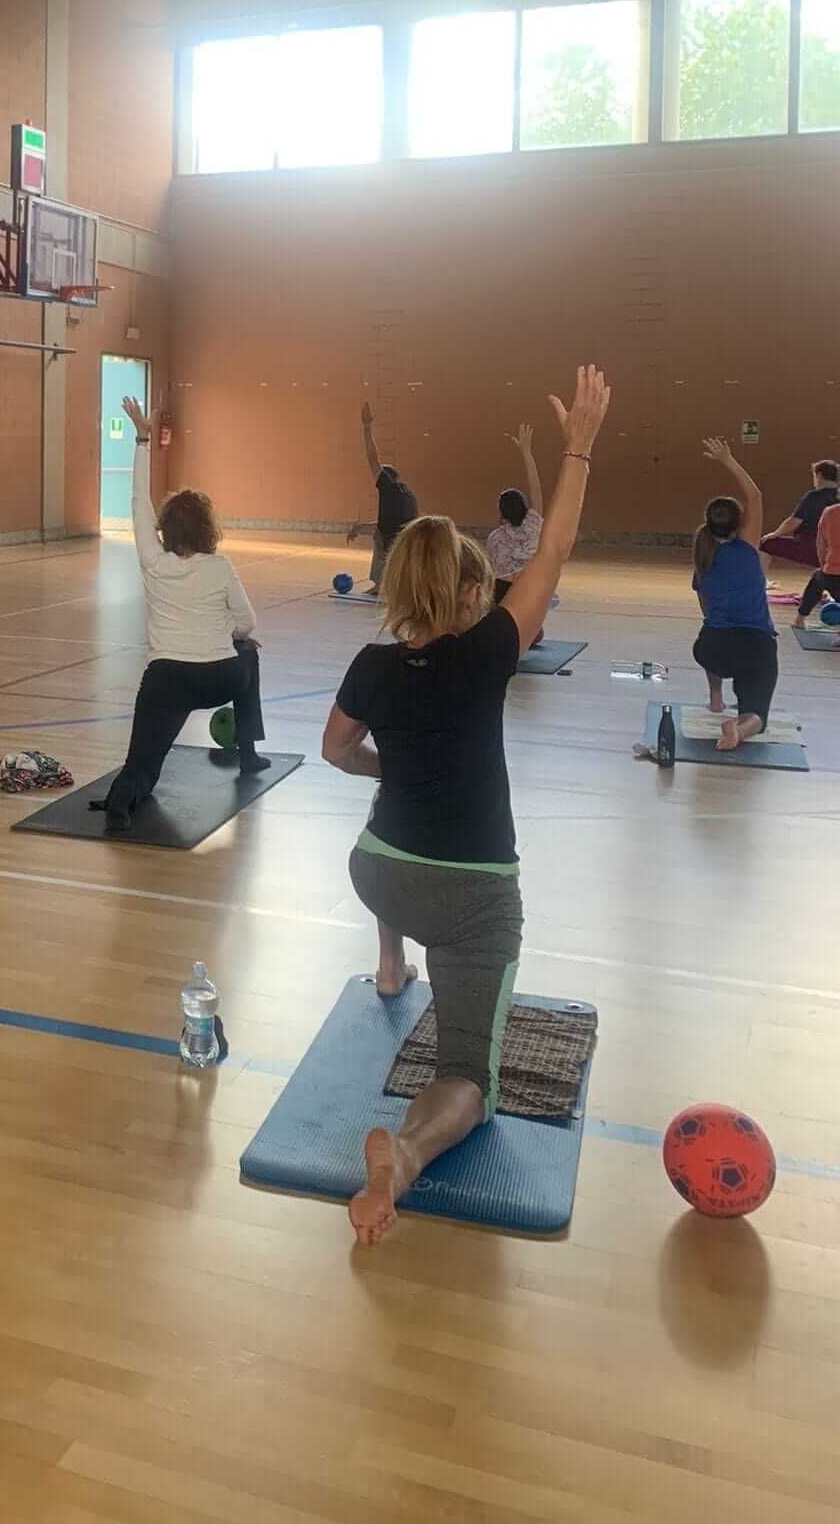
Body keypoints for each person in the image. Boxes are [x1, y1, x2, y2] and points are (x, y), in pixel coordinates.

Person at [322, 364, 611, 1247]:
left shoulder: (373, 664)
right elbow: (554, 549)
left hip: (377, 876)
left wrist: (391, 772)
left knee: (398, 864)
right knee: (468, 1081)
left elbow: (337, 751)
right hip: (469, 894)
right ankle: (404, 1159)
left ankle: (389, 962)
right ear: (472, 592)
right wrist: (581, 449)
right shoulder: (488, 651)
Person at [96, 395, 267, 834]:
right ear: (209, 529)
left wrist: (141, 438)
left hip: (168, 680)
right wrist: (230, 638)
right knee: (249, 652)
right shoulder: (222, 567)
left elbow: (137, 502)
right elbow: (247, 624)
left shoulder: (153, 562)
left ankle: (123, 799)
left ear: (165, 529)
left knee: (143, 763)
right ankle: (247, 753)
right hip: (221, 678)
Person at [691, 438, 777, 752]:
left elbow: (705, 608)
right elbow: (754, 495)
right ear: (740, 524)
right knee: (757, 714)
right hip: (756, 647)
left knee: (710, 632)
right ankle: (740, 729)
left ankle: (716, 696)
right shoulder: (748, 547)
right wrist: (728, 460)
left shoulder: (704, 559)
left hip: (711, 649)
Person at [488, 424, 544, 632]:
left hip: (502, 593)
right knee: (533, 633)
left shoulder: (495, 537)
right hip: (529, 591)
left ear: (502, 512)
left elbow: (492, 572)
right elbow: (535, 485)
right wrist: (527, 453)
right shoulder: (534, 524)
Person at [359, 401, 417, 596]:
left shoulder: (387, 487)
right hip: (407, 538)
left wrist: (366, 427)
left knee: (379, 536)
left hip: (392, 538)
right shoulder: (406, 493)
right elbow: (389, 521)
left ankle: (379, 585)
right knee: (380, 533)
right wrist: (358, 528)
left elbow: (372, 457)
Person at [759, 458, 840, 573]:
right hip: (834, 550)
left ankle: (759, 583)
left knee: (764, 544)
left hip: (811, 548)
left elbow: (793, 522)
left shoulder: (813, 497)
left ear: (819, 475)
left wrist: (774, 534)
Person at [794, 493, 840, 627]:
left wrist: (824, 566)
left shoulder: (829, 512)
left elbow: (820, 544)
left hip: (831, 575)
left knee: (817, 577)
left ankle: (800, 620)